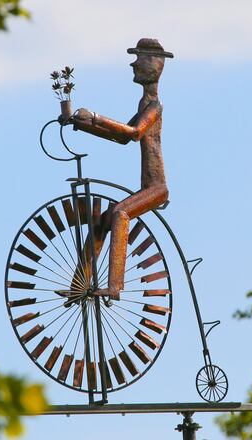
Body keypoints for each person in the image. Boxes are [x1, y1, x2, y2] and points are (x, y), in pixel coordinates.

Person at [70, 38, 173, 301]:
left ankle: (115, 288)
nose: (133, 64)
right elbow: (122, 137)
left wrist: (96, 117)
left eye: (138, 59)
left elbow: (136, 132)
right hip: (147, 187)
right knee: (102, 219)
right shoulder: (143, 105)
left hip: (156, 188)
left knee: (119, 214)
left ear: (153, 65)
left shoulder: (155, 107)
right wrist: (84, 125)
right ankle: (79, 283)